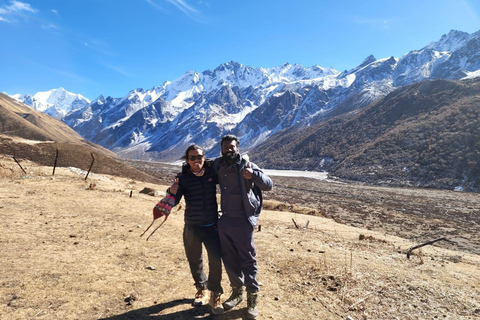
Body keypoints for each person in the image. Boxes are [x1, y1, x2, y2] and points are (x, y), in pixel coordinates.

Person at [213, 134, 273, 320]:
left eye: (232, 146)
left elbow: (268, 185)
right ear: (221, 148)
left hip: (243, 221)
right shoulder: (219, 165)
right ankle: (237, 293)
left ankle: (252, 298)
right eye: (225, 147)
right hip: (225, 221)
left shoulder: (247, 166)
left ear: (238, 148)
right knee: (229, 259)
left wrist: (253, 175)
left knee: (248, 260)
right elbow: (200, 169)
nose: (229, 149)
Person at [164, 144, 224, 315]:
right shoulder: (182, 178)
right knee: (194, 260)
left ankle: (215, 294)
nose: (197, 160)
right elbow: (174, 201)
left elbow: (229, 180)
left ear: (204, 157)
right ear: (187, 160)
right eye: (193, 158)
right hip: (192, 226)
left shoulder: (212, 173)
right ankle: (201, 289)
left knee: (215, 261)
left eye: (200, 157)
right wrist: (171, 191)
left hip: (212, 225)